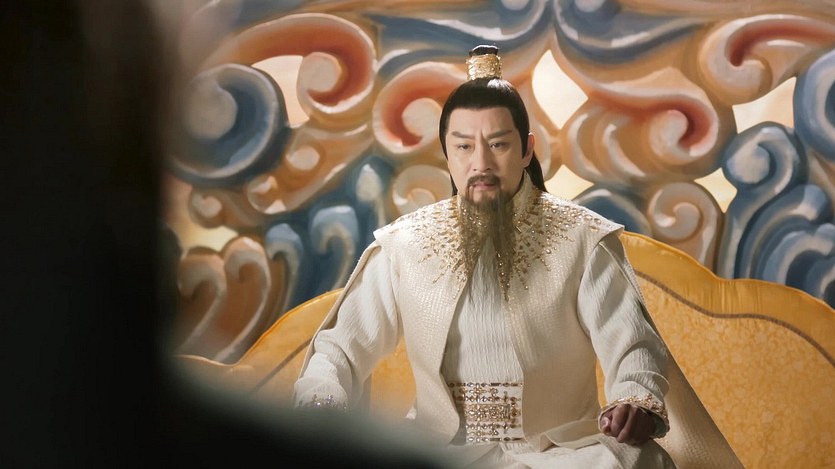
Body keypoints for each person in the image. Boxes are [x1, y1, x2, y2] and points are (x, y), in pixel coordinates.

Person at [293, 45, 677, 468]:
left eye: (498, 144)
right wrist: (322, 405)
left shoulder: (583, 239)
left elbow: (632, 345)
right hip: (436, 453)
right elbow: (339, 349)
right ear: (446, 153)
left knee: (640, 459)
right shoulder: (406, 245)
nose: (481, 163)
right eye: (463, 146)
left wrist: (633, 401)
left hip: (557, 453)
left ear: (526, 150)